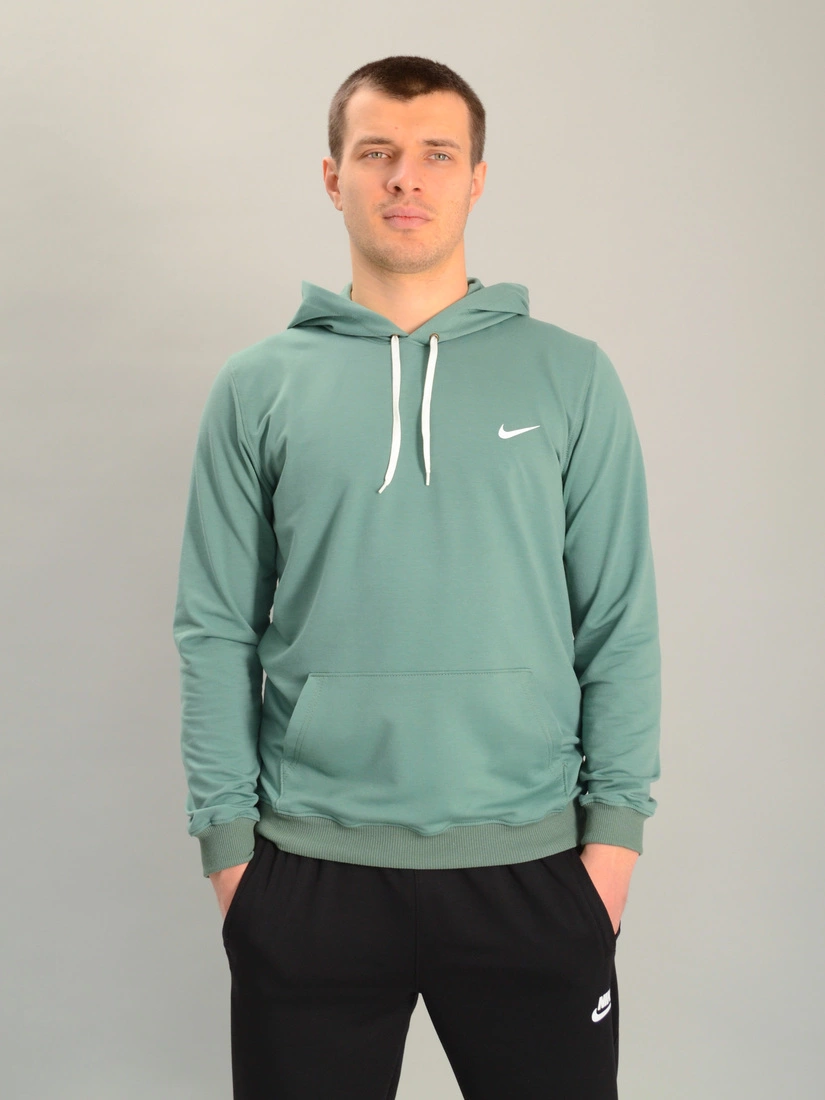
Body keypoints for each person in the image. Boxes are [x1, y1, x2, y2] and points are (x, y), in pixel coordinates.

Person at [172, 53, 661, 1100]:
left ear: (476, 178)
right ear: (333, 176)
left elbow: (617, 620)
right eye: (377, 153)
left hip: (532, 863)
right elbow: (213, 627)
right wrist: (230, 858)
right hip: (308, 870)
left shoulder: (571, 375)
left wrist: (611, 851)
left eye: (437, 153)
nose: (405, 177)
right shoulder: (258, 386)